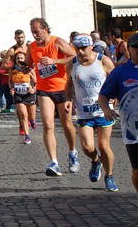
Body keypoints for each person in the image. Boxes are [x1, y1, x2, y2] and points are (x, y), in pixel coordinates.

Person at [24, 17, 78, 177]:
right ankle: (54, 162)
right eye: (32, 32)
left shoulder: (57, 42)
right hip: (43, 89)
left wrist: (54, 60)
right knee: (48, 125)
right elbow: (28, 64)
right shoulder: (32, 47)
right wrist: (24, 68)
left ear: (45, 29)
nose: (35, 35)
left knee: (67, 124)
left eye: (37, 31)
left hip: (62, 88)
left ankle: (72, 152)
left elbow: (74, 57)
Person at [65, 34, 118, 191]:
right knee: (87, 147)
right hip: (84, 113)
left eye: (83, 48)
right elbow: (68, 84)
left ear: (91, 47)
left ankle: (109, 176)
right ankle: (96, 162)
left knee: (103, 145)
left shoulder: (103, 61)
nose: (81, 52)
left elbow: (115, 80)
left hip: (103, 111)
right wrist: (68, 99)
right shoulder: (72, 64)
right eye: (77, 48)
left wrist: (114, 96)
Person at [99, 32, 138, 193]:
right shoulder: (120, 72)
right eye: (136, 48)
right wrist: (106, 109)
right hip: (133, 131)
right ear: (129, 49)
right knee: (137, 170)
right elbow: (103, 95)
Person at [9, 49, 37, 145]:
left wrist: (33, 88)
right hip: (18, 95)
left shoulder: (30, 69)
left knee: (31, 116)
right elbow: (10, 81)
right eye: (18, 58)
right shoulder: (13, 70)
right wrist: (11, 88)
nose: (20, 59)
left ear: (25, 59)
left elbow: (36, 81)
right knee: (24, 115)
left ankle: (32, 121)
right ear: (15, 60)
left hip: (29, 94)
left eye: (21, 58)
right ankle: (27, 136)